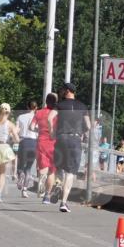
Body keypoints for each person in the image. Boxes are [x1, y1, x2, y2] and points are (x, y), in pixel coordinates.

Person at [53, 81, 91, 213]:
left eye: (63, 90)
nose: (62, 92)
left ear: (67, 91)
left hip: (61, 137)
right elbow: (89, 126)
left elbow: (49, 118)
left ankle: (57, 184)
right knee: (70, 172)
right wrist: (83, 133)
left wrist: (53, 132)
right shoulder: (83, 106)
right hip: (75, 139)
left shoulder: (59, 105)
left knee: (58, 167)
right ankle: (63, 203)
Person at [0, 103, 20, 203]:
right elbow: (16, 139)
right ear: (9, 112)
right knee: (2, 172)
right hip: (4, 147)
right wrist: (15, 138)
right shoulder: (10, 124)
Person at [31, 93, 58, 204]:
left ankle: (41, 191)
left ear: (46, 101)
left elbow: (31, 127)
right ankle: (47, 195)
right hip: (54, 143)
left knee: (43, 168)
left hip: (42, 142)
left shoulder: (39, 112)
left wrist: (41, 131)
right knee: (51, 171)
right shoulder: (57, 113)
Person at [15, 100, 39, 197]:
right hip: (34, 142)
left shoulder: (21, 117)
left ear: (27, 107)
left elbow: (17, 130)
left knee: (20, 166)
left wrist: (14, 137)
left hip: (23, 141)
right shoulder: (37, 117)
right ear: (36, 108)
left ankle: (20, 175)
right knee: (29, 168)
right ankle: (25, 190)